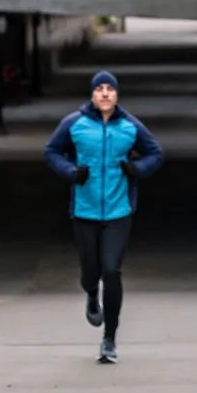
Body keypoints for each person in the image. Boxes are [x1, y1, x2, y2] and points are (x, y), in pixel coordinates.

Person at [43, 69, 164, 364]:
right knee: (91, 272)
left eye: (110, 88)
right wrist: (71, 172)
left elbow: (155, 154)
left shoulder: (130, 127)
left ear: (117, 94)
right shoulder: (74, 124)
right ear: (92, 95)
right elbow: (51, 152)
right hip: (84, 211)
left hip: (118, 210)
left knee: (112, 270)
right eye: (100, 89)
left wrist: (137, 170)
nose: (105, 93)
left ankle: (109, 339)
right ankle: (89, 291)